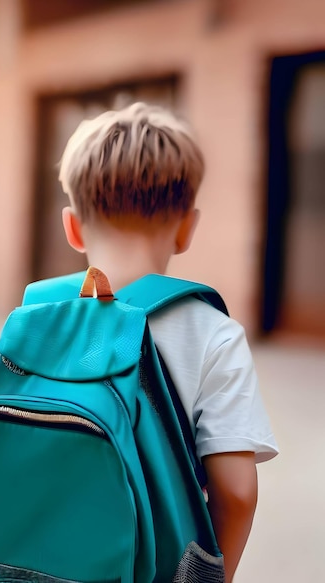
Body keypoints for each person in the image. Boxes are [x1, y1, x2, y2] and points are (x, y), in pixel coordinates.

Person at [57, 102, 278, 582]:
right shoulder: (213, 334)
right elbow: (237, 492)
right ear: (186, 229)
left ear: (72, 228)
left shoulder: (38, 318)